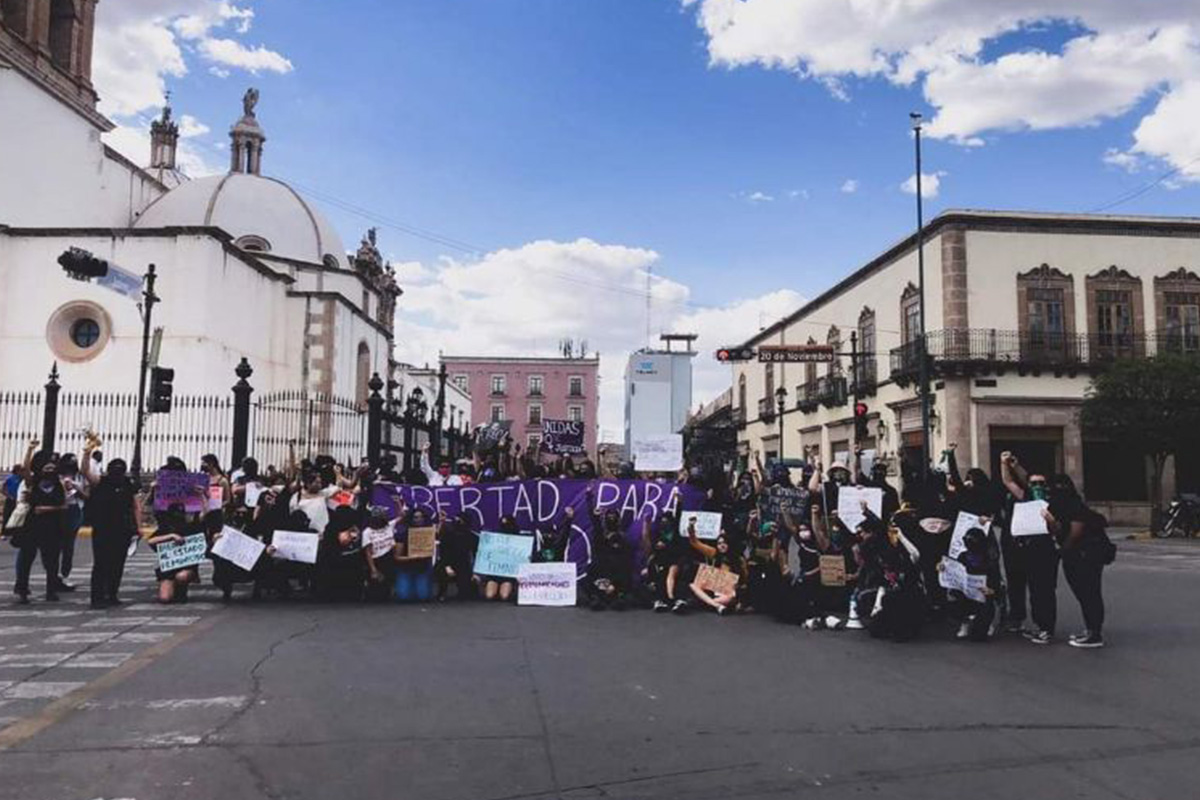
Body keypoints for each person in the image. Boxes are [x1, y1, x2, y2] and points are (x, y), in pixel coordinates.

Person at [1043, 474, 1113, 649]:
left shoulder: (1075, 506)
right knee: (1083, 593)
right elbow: (1058, 529)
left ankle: (1094, 633)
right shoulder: (1060, 505)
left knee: (1089, 592)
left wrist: (1062, 551)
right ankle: (1090, 629)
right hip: (1077, 554)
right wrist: (1051, 521)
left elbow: (1075, 532)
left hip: (1087, 554)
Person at [1000, 454, 1059, 645]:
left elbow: (1058, 529)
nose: (1037, 486)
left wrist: (1051, 521)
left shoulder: (1054, 502)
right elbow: (1009, 481)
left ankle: (1046, 628)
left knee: (1043, 591)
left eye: (1041, 483)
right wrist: (1006, 464)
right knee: (1024, 587)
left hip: (1045, 551)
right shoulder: (1025, 497)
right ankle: (1034, 623)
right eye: (1034, 483)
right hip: (1025, 550)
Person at [83, 456, 140, 608]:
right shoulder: (101, 482)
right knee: (101, 563)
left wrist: (138, 527)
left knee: (117, 564)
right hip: (103, 528)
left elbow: (135, 506)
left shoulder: (127, 484)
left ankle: (112, 594)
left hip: (122, 528)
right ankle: (97, 597)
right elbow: (85, 471)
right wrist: (86, 453)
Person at [12, 450, 67, 604]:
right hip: (32, 526)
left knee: (51, 560)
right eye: (46, 468)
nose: (49, 471)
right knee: (27, 558)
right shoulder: (33, 482)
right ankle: (22, 589)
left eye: (52, 468)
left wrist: (47, 509)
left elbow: (64, 506)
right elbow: (26, 469)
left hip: (52, 527)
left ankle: (51, 591)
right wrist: (29, 450)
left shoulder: (59, 484)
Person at [686, 522, 746, 616]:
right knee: (693, 585)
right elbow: (694, 542)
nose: (722, 545)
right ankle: (717, 606)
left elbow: (745, 579)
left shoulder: (739, 559)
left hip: (729, 593)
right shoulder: (714, 553)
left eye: (724, 543)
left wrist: (739, 592)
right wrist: (691, 528)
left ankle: (706, 603)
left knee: (730, 598)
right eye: (719, 543)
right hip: (715, 589)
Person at [148, 507, 200, 604]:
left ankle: (181, 589)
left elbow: (204, 514)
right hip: (168, 568)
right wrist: (171, 536)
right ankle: (169, 586)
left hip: (186, 567)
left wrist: (201, 496)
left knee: (182, 576)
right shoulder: (165, 529)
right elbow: (151, 541)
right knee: (165, 598)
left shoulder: (192, 528)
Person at [641, 510, 688, 613]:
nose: (664, 523)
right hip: (662, 561)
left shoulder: (676, 534)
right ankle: (660, 600)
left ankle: (673, 599)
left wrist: (679, 502)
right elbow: (651, 550)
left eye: (666, 521)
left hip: (675, 560)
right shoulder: (658, 535)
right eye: (662, 521)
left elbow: (678, 519)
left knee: (672, 574)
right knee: (658, 575)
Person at [55, 453, 87, 591]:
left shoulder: (79, 478)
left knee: (69, 545)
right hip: (59, 509)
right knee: (55, 545)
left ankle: (64, 574)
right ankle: (54, 575)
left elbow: (87, 496)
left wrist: (75, 488)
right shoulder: (56, 477)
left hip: (74, 509)